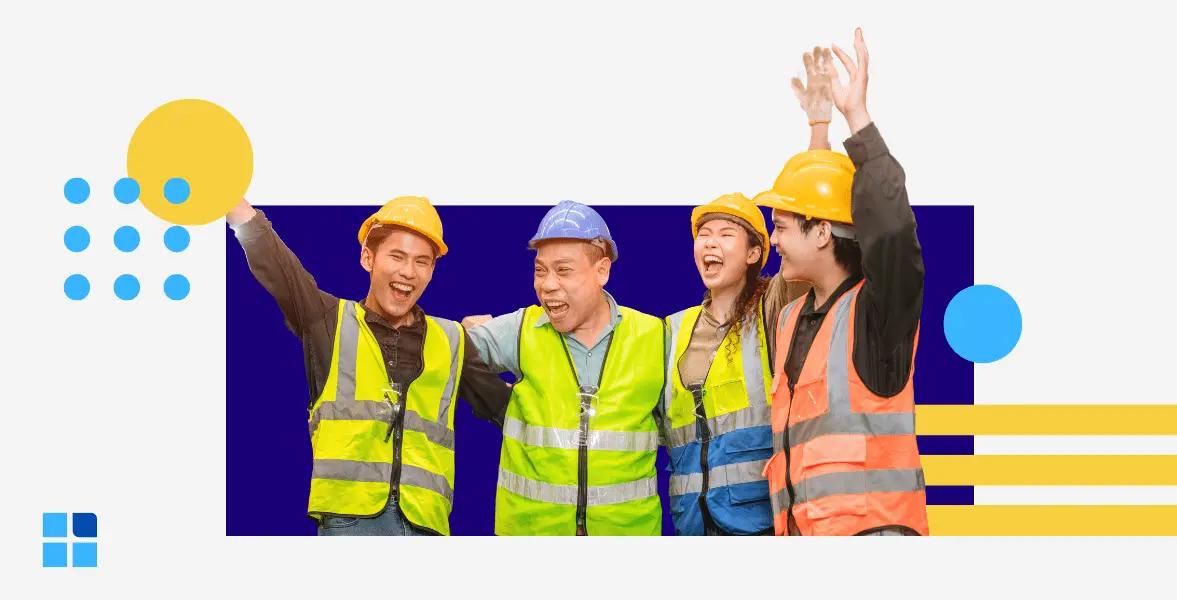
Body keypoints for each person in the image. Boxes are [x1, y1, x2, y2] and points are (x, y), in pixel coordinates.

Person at [226, 196, 511, 536]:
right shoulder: (329, 322)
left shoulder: (453, 340)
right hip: (349, 523)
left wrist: (507, 336)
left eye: (422, 261)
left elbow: (513, 410)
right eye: (397, 256)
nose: (408, 272)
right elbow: (275, 263)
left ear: (432, 270)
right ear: (368, 258)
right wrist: (232, 201)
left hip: (427, 525)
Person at [755, 28, 929, 536]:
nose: (774, 240)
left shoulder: (878, 317)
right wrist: (817, 126)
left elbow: (893, 230)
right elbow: (813, 202)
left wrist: (857, 119)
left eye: (782, 228)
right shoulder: (793, 315)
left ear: (823, 233)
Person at [660, 48, 838, 535]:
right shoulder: (671, 330)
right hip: (692, 524)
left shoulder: (773, 305)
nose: (709, 244)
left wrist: (819, 126)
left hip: (760, 521)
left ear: (757, 252)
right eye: (703, 234)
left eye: (725, 234)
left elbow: (806, 219)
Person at [462, 201, 665, 535]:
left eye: (563, 270)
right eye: (540, 271)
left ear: (602, 271)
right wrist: (494, 399)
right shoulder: (521, 329)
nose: (548, 285)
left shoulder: (654, 337)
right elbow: (446, 352)